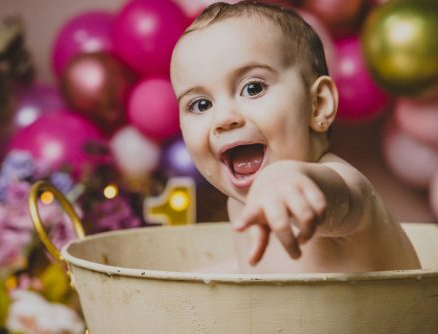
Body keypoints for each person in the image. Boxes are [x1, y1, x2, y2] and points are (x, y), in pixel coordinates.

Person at [170, 1, 420, 274]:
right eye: (201, 105)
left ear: (318, 104)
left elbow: (330, 198)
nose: (224, 118)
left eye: (252, 88)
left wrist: (283, 179)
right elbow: (256, 276)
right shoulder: (240, 205)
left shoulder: (345, 187)